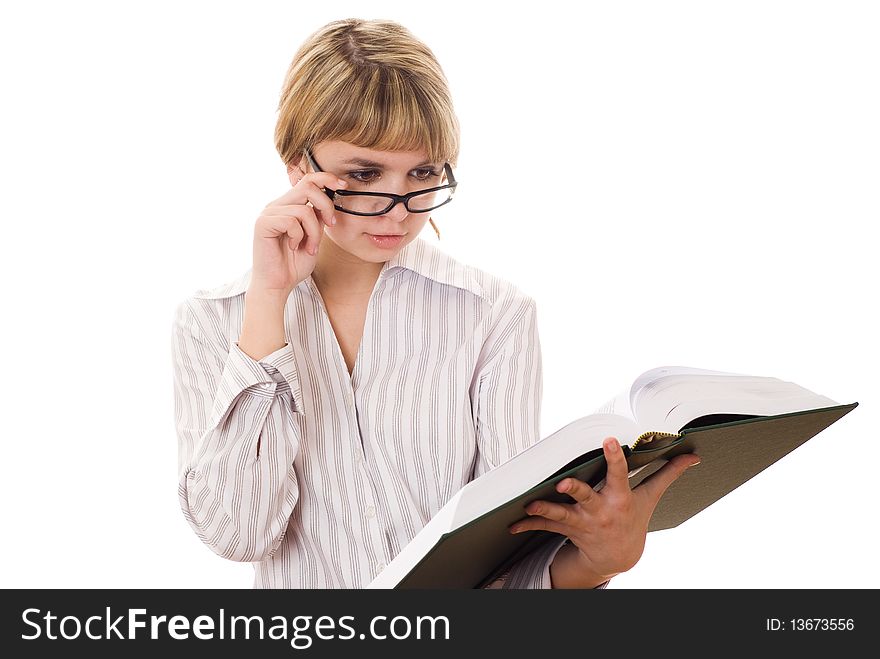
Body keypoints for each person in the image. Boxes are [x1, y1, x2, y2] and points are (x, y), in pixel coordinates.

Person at [170, 17, 701, 589]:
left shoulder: (492, 315)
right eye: (365, 173)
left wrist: (600, 561)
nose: (400, 208)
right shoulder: (215, 320)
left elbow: (508, 557)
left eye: (422, 172)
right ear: (299, 166)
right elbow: (239, 534)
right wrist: (269, 298)